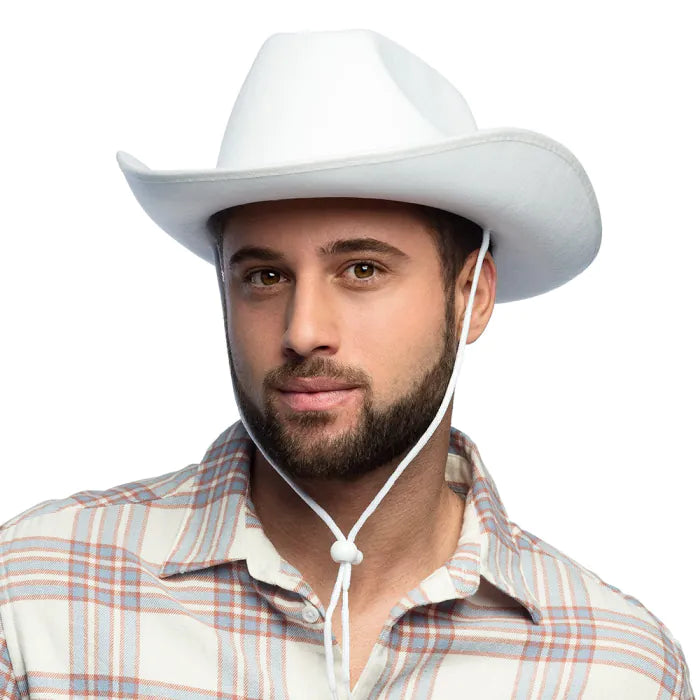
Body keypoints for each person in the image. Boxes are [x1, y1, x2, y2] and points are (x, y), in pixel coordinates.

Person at [0, 28, 693, 700]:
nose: (303, 332)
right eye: (265, 277)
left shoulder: (614, 671)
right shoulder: (38, 599)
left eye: (362, 270)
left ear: (472, 297)